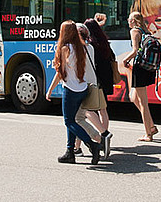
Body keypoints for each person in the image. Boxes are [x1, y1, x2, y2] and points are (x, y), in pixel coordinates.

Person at [45, 20, 102, 165]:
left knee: (69, 121)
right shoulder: (80, 47)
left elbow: (60, 74)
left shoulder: (65, 48)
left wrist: (49, 91)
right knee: (72, 121)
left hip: (70, 90)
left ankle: (92, 145)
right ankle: (70, 152)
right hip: (82, 88)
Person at [122, 11, 159, 142]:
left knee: (143, 102)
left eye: (129, 18)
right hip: (145, 68)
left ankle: (148, 134)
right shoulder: (145, 31)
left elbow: (135, 50)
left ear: (134, 21)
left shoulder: (134, 31)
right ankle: (152, 126)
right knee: (133, 97)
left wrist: (124, 61)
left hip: (139, 68)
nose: (127, 20)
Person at [71, 23, 105, 158]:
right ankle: (76, 147)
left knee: (77, 119)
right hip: (91, 85)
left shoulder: (79, 50)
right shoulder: (90, 48)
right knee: (80, 117)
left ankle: (100, 138)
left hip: (82, 86)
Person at [84, 16, 115, 158]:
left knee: (87, 110)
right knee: (103, 109)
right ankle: (105, 135)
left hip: (95, 81)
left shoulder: (90, 45)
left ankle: (103, 135)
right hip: (106, 79)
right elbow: (112, 58)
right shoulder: (104, 42)